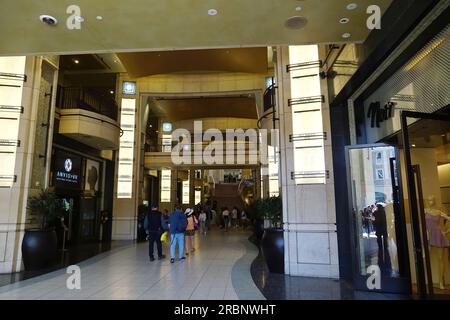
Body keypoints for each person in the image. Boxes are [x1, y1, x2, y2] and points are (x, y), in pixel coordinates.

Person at [371, 203, 392, 274]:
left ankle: (380, 250)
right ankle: (385, 248)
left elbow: (373, 222)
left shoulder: (375, 213)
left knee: (379, 242)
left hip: (378, 229)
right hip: (384, 229)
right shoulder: (384, 212)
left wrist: (374, 222)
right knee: (385, 242)